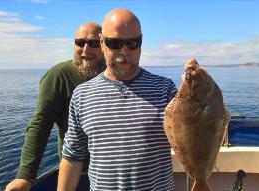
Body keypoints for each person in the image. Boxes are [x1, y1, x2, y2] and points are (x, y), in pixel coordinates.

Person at [58, 8, 176, 191]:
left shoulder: (165, 89)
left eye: (133, 43)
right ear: (102, 43)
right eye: (115, 43)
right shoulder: (82, 95)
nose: (125, 50)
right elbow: (73, 156)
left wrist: (201, 91)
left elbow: (192, 133)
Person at [5, 22, 105, 191]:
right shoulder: (58, 76)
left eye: (94, 43)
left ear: (104, 44)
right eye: (80, 42)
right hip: (77, 174)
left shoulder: (117, 74)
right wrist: (25, 176)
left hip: (115, 172)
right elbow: (40, 124)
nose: (85, 50)